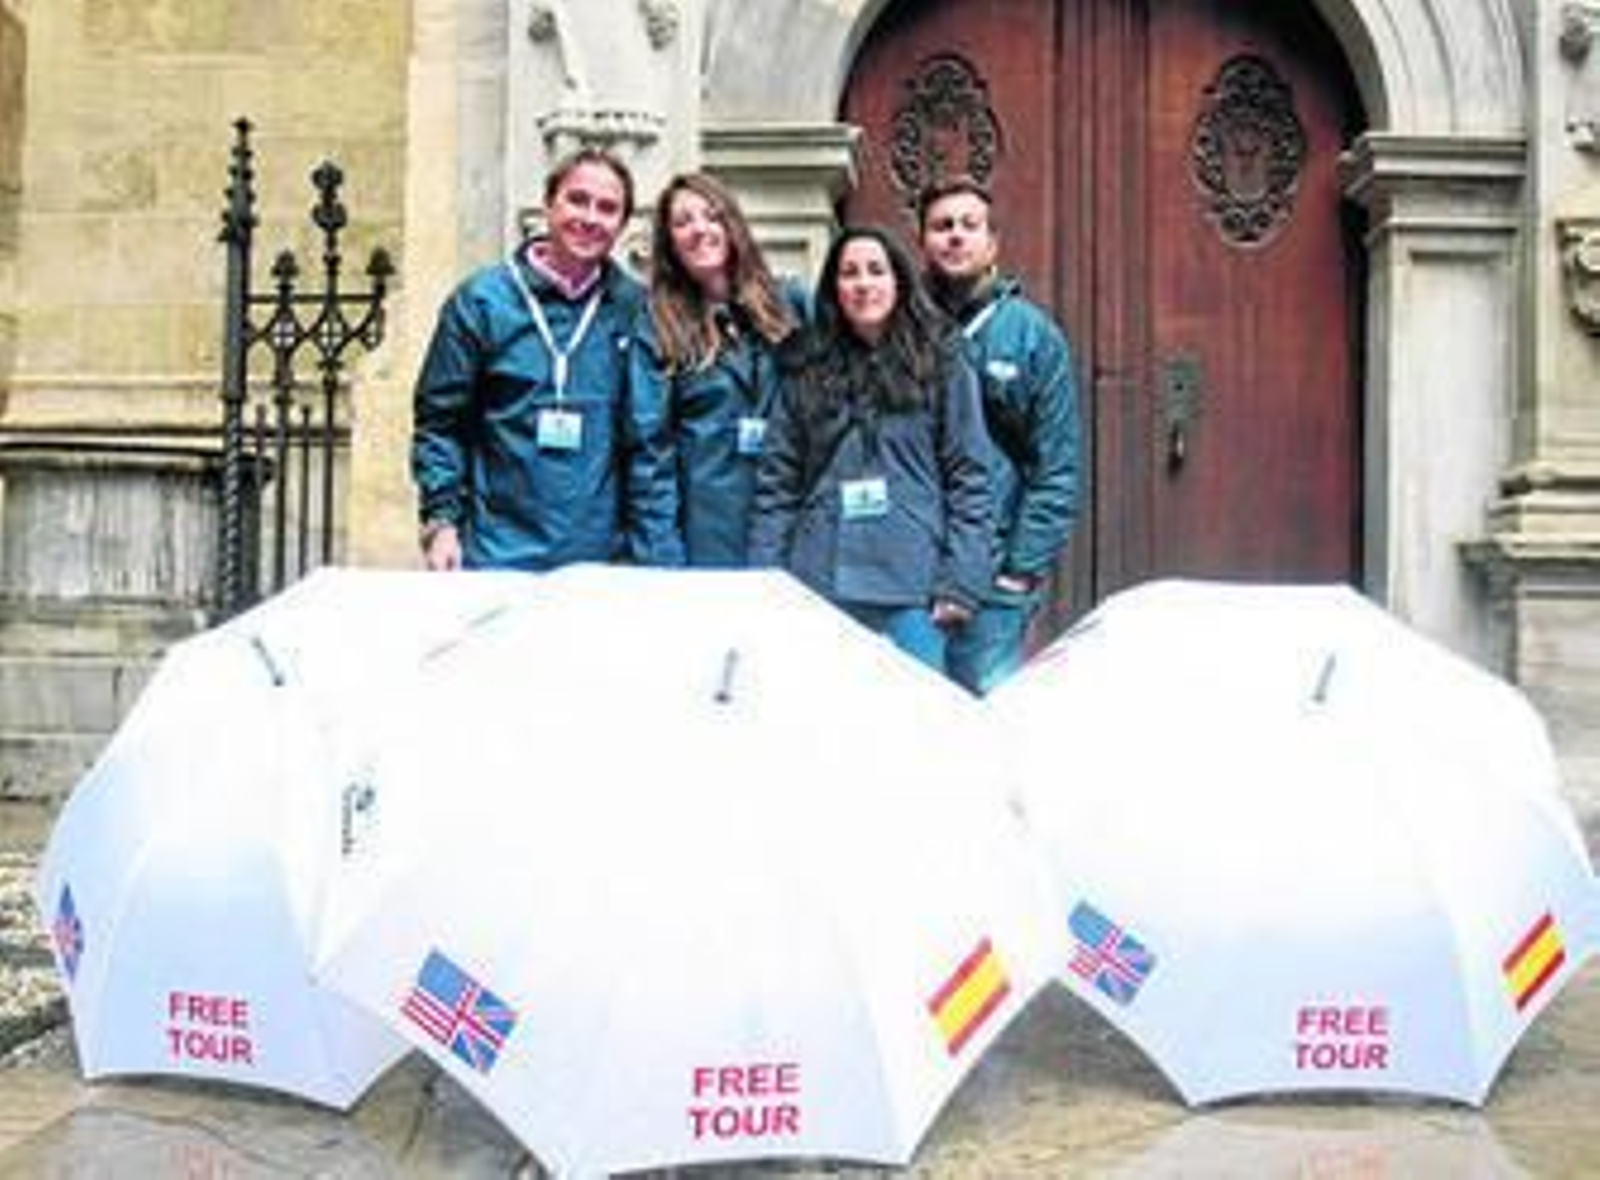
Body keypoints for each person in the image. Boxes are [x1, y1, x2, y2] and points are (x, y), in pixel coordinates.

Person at [411, 146, 677, 571]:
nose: (590, 218)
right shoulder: (481, 302)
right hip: (495, 555)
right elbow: (440, 423)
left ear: (622, 225)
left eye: (608, 208)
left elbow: (648, 446)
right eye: (577, 199)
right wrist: (441, 522)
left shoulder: (634, 308)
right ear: (548, 204)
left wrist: (656, 560)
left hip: (601, 564)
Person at [749, 225, 992, 674]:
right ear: (833, 288)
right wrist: (766, 581)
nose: (863, 284)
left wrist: (961, 581)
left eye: (876, 271)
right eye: (849, 273)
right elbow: (777, 483)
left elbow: (970, 476)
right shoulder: (805, 367)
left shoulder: (942, 360)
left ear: (898, 280)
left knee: (916, 728)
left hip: (911, 584)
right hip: (819, 582)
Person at [916, 175, 1081, 694]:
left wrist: (1020, 571)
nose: (956, 236)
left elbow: (1057, 468)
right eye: (942, 226)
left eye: (970, 225)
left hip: (993, 579)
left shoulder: (1033, 336)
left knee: (987, 729)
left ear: (993, 244)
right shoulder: (903, 328)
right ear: (923, 241)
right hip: (910, 572)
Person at [637, 171, 807, 566]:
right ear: (669, 243)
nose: (700, 229)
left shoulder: (792, 305)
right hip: (707, 534)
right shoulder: (657, 326)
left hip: (792, 524)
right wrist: (664, 557)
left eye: (712, 216)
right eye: (683, 222)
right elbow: (651, 451)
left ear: (733, 225)